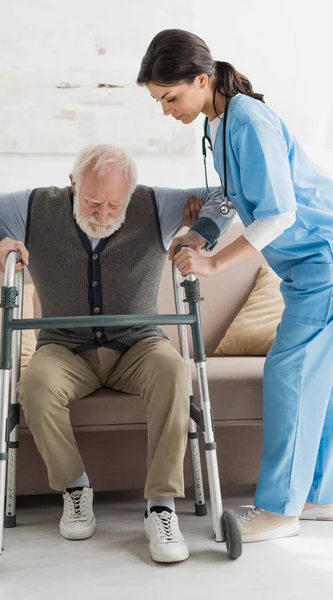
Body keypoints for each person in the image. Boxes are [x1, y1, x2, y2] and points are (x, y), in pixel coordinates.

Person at [0, 144, 233, 563]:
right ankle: (75, 489)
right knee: (36, 385)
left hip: (139, 344)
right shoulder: (33, 205)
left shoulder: (154, 203)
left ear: (130, 193)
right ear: (72, 183)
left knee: (174, 371)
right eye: (92, 201)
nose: (102, 215)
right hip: (64, 346)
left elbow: (229, 197)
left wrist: (197, 231)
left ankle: (160, 506)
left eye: (115, 204)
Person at [137, 29, 333, 543]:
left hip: (324, 263)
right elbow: (229, 197)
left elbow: (281, 213)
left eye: (170, 97)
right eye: (158, 101)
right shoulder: (218, 124)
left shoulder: (248, 119)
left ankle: (279, 511)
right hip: (306, 270)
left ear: (201, 80)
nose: (165, 110)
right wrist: (199, 236)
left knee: (290, 376)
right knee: (317, 384)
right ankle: (319, 498)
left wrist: (216, 265)